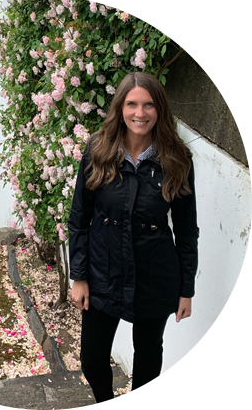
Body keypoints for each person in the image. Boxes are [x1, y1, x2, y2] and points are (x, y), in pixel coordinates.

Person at [68, 72, 198, 410]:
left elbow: (186, 230)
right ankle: (107, 406)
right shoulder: (98, 150)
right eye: (132, 104)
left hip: (155, 275)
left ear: (160, 109)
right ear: (120, 108)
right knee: (91, 358)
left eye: (149, 104)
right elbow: (79, 218)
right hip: (102, 271)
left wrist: (186, 289)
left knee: (148, 351)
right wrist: (78, 276)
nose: (140, 113)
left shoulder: (176, 159)